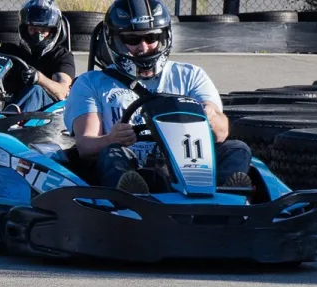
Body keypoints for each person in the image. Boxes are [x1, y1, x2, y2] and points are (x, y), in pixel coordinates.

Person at [62, 0, 252, 193]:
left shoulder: (190, 75)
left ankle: (226, 201)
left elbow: (221, 133)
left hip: (187, 163)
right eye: (133, 40)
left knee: (237, 149)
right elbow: (85, 146)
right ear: (116, 41)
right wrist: (111, 138)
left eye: (151, 37)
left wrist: (210, 117)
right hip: (129, 161)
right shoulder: (91, 83)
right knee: (111, 154)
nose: (144, 47)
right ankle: (133, 198)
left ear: (163, 37)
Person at [0, 0, 75, 114]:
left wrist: (39, 78)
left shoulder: (62, 56)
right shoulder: (10, 51)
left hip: (48, 112)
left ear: (53, 30)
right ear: (25, 28)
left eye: (43, 30)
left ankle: (12, 121)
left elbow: (62, 92)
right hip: (13, 103)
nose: (38, 35)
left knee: (36, 90)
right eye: (33, 29)